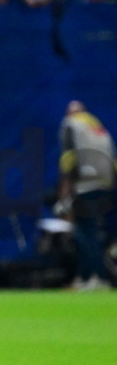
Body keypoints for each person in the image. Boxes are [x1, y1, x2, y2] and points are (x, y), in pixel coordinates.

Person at [58, 101, 115, 291]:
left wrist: (65, 193)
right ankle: (88, 276)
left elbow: (69, 159)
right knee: (93, 232)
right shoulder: (96, 125)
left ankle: (95, 276)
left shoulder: (70, 124)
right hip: (105, 182)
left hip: (84, 184)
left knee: (85, 234)